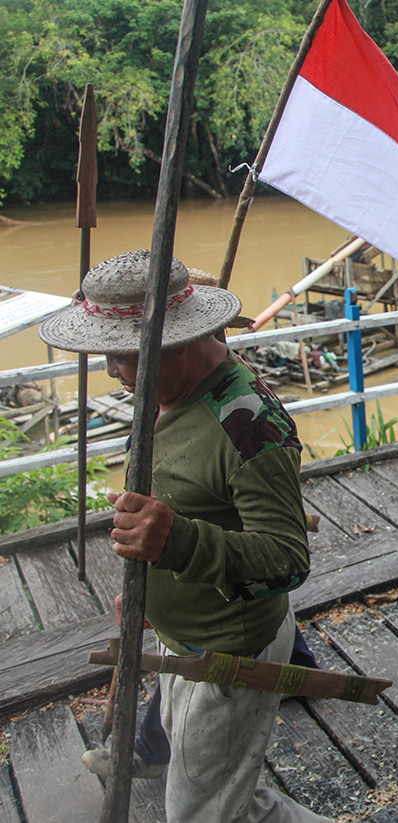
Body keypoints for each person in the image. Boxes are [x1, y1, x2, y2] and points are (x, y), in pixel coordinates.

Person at [39, 250, 330, 822]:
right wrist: (149, 584)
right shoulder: (166, 394)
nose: (111, 371)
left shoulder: (248, 427)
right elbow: (185, 499)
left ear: (175, 343)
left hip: (227, 649)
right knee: (228, 799)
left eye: (122, 355)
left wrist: (177, 544)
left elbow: (288, 560)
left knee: (201, 811)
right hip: (186, 637)